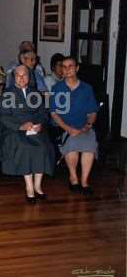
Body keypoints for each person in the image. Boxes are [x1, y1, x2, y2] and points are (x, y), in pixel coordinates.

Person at [0, 65, 55, 204]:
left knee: (43, 146)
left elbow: (43, 113)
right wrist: (20, 126)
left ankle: (38, 185)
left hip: (34, 129)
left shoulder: (34, 93)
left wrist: (39, 124)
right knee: (26, 147)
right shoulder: (7, 94)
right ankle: (29, 187)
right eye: (18, 75)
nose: (22, 78)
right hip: (14, 130)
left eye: (25, 75)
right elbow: (3, 117)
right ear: (14, 77)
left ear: (29, 77)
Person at [50, 57, 99, 195]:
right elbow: (54, 113)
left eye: (70, 66)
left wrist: (87, 126)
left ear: (77, 68)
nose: (67, 69)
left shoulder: (87, 88)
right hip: (65, 126)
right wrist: (67, 128)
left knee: (89, 145)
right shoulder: (56, 88)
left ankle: (84, 181)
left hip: (84, 126)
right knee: (72, 144)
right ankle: (73, 178)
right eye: (64, 66)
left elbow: (92, 112)